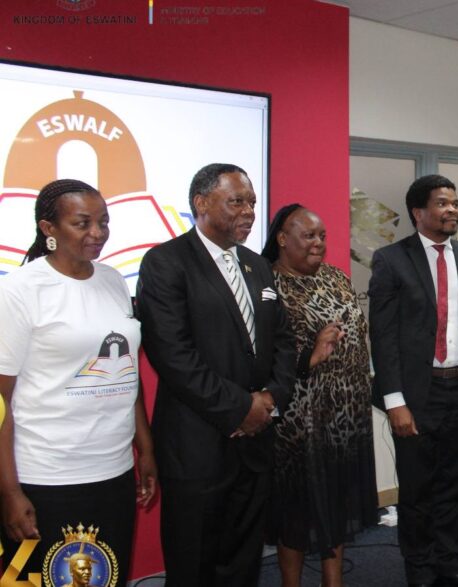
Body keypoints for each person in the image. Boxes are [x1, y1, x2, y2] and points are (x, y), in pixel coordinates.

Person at [137, 164, 296, 587]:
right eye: (237, 202)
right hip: (197, 445)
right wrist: (241, 407)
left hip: (256, 443)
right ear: (201, 204)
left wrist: (271, 399)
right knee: (194, 563)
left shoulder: (258, 266)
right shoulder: (165, 262)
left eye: (253, 203)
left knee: (244, 560)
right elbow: (172, 354)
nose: (248, 212)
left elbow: (282, 340)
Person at [0, 179, 157, 582]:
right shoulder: (19, 291)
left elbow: (126, 373)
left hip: (113, 471)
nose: (98, 233)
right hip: (47, 477)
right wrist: (9, 491)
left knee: (108, 576)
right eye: (83, 223)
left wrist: (145, 448)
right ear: (48, 229)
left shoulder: (112, 280)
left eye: (104, 222)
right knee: (42, 579)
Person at [369, 174, 458, 587]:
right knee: (418, 490)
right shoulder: (391, 260)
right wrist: (395, 402)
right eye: (442, 203)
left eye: (455, 203)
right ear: (418, 212)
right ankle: (420, 571)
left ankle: (451, 564)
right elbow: (383, 336)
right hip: (416, 395)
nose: (452, 210)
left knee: (456, 486)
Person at [261, 204, 378, 587]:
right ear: (282, 238)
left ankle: (334, 582)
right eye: (309, 235)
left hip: (345, 417)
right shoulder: (268, 285)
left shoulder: (336, 276)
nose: (318, 243)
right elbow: (263, 357)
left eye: (322, 236)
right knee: (294, 512)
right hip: (298, 423)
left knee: (338, 502)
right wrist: (309, 357)